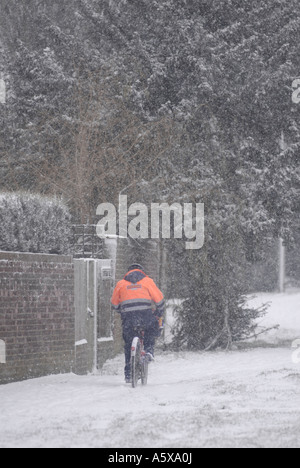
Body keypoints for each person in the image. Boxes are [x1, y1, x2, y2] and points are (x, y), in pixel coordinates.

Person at [111, 263, 165, 383]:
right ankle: (149, 351)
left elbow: (114, 304)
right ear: (142, 271)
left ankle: (129, 374)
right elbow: (159, 300)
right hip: (145, 315)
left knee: (128, 344)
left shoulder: (120, 284)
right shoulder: (147, 281)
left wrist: (122, 310)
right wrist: (158, 312)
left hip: (128, 318)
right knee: (150, 328)